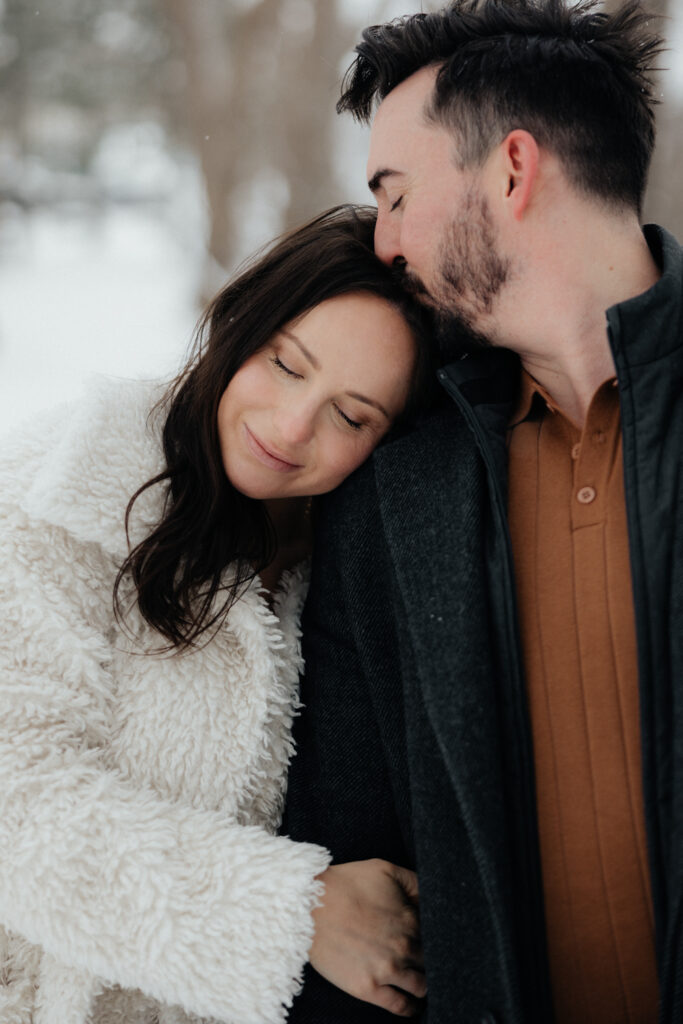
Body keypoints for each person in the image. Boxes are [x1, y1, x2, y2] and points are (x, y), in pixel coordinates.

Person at [281, 2, 683, 1022]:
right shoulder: (387, 493)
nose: (381, 241)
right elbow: (357, 878)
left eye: (395, 193)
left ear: (511, 169)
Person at [0, 205, 435, 1024]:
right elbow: (16, 805)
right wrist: (293, 912)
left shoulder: (340, 571)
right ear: (242, 323)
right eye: (285, 363)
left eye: (351, 415)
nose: (292, 424)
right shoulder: (56, 498)